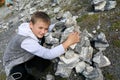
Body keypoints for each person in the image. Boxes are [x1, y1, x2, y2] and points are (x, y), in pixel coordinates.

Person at [3, 11, 80, 80]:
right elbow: (48, 54)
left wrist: (66, 22)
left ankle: (33, 69)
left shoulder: (34, 28)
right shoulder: (26, 40)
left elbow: (49, 27)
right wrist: (68, 42)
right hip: (14, 64)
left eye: (45, 29)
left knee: (44, 64)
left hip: (27, 56)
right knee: (21, 74)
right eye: (40, 28)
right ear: (31, 25)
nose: (43, 31)